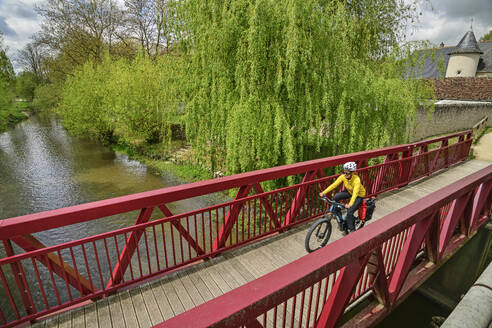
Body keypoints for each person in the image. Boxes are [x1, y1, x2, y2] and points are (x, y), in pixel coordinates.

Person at [319, 161, 366, 234]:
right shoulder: (343, 177)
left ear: (352, 172)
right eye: (344, 172)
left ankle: (352, 230)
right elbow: (334, 185)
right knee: (336, 197)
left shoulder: (357, 180)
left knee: (350, 211)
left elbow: (355, 193)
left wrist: (350, 204)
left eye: (347, 173)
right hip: (349, 191)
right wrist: (323, 192)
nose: (345, 174)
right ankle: (337, 212)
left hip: (358, 195)